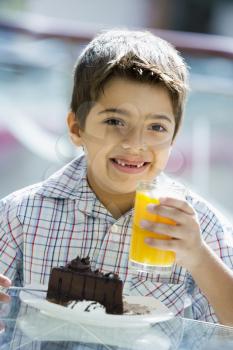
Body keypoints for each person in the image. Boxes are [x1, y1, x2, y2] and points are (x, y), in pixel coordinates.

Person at [0, 29, 233, 326]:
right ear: (76, 128)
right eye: (114, 121)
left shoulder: (199, 228)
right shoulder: (20, 214)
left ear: (174, 136)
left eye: (156, 127)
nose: (135, 142)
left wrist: (199, 258)